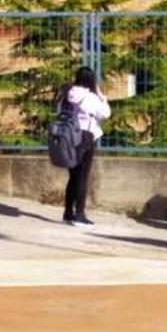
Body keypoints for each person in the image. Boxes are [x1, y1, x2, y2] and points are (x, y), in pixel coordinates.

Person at [59, 66, 111, 227]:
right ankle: (79, 214)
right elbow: (105, 114)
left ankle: (68, 213)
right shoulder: (91, 97)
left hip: (67, 135)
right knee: (82, 177)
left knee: (73, 175)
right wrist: (102, 96)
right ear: (91, 80)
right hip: (84, 136)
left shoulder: (67, 93)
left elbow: (58, 110)